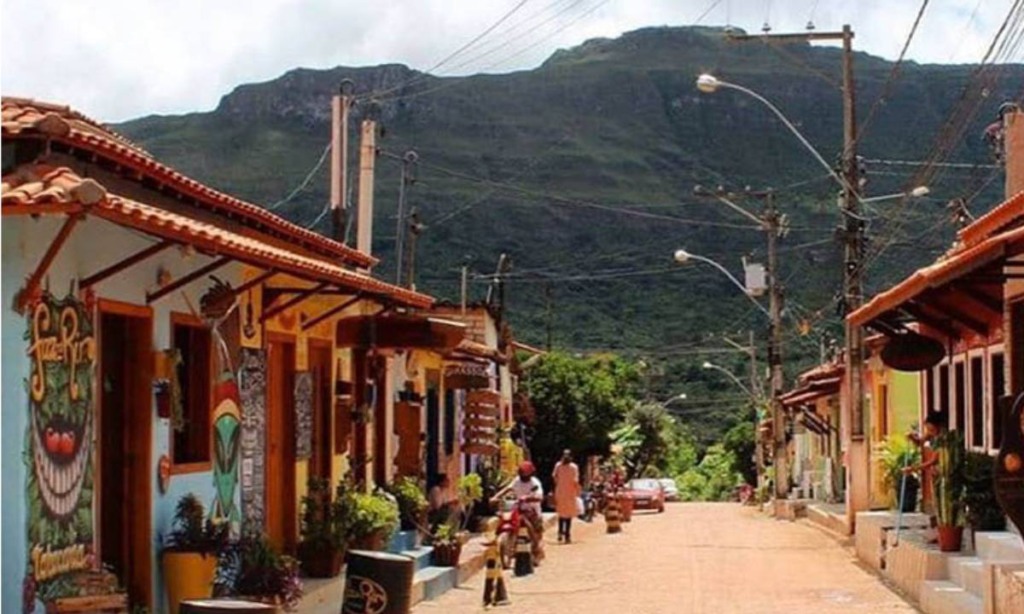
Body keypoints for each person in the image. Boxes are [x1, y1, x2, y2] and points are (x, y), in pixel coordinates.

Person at [903, 412, 945, 541]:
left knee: (944, 505)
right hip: (935, 474)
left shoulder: (943, 438)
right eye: (927, 429)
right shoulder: (932, 435)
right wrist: (913, 438)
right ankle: (938, 533)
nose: (929, 432)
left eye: (931, 429)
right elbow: (921, 442)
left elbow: (934, 460)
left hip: (944, 473)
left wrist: (913, 468)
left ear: (940, 427)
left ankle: (942, 533)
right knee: (936, 504)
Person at [494, 461, 545, 561]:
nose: (522, 477)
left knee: (529, 525)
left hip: (532, 510)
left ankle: (535, 547)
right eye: (521, 474)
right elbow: (507, 488)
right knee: (504, 518)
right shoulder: (517, 480)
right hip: (518, 508)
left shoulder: (535, 483)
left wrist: (528, 498)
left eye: (524, 475)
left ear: (530, 474)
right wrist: (495, 497)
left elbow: (540, 496)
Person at [552, 449, 581, 543]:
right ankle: (567, 535)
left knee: (562, 513)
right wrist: (577, 490)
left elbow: (554, 476)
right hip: (570, 492)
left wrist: (559, 484)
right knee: (568, 514)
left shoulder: (558, 465)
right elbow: (575, 481)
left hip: (561, 491)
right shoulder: (574, 467)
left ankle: (561, 533)